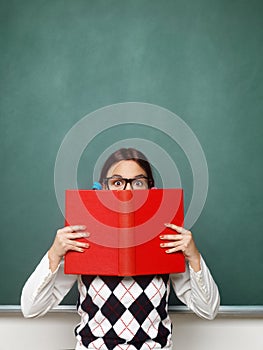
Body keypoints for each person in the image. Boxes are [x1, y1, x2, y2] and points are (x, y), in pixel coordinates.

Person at [21, 147, 220, 350]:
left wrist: (194, 257)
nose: (127, 191)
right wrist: (54, 254)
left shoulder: (166, 239)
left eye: (138, 182)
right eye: (117, 182)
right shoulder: (82, 238)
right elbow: (31, 308)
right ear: (102, 189)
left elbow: (208, 310)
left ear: (151, 189)